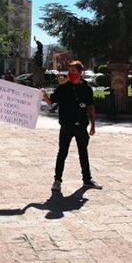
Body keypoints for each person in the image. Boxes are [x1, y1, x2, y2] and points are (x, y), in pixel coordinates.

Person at [42, 61, 102, 191]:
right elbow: (51, 101)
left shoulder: (87, 88)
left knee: (83, 153)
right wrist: (44, 96)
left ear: (80, 72)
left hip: (81, 126)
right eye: (69, 71)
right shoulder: (63, 88)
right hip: (66, 126)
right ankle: (57, 180)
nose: (70, 74)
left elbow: (90, 107)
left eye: (73, 71)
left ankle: (87, 180)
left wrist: (93, 125)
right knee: (62, 153)